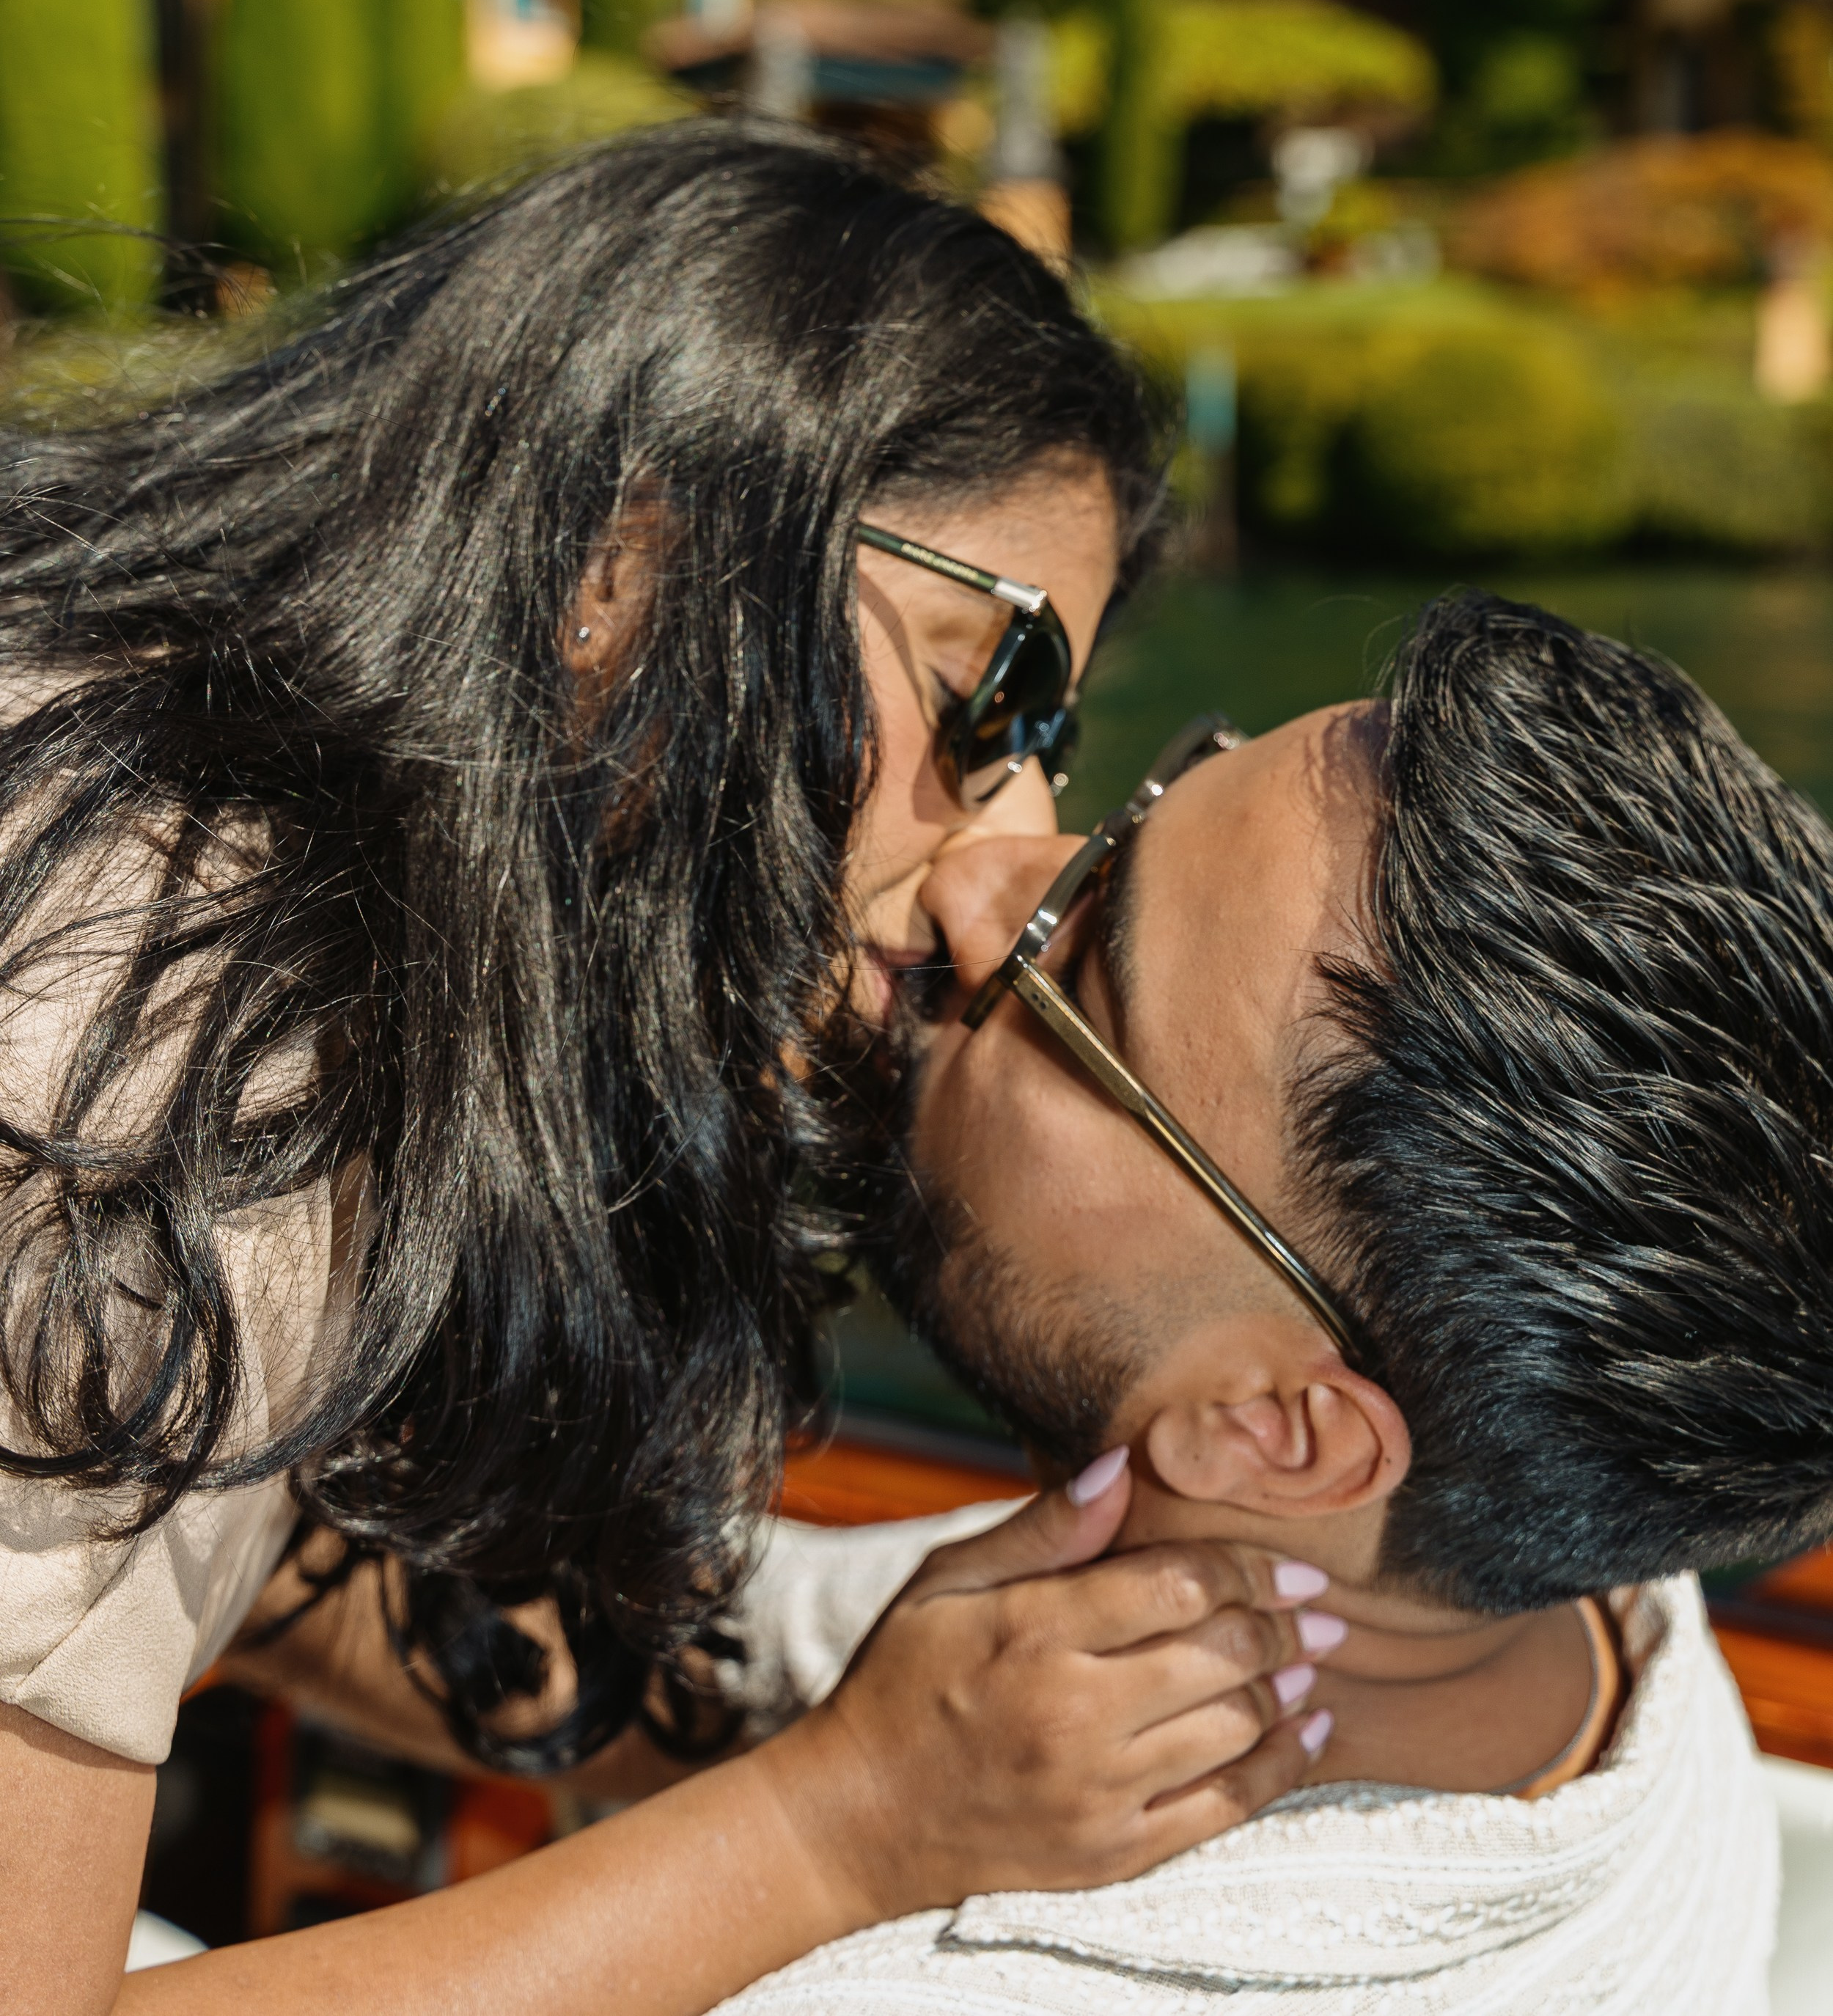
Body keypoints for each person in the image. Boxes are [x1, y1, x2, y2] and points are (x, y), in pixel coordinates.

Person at [0, 123, 1333, 2015]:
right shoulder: (131, 1055)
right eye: (993, 694)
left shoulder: (260, 864)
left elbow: (212, 1541)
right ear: (623, 558)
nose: (1009, 830)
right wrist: (841, 1824)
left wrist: (775, 1720)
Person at [716, 590, 1833, 2015]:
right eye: (1130, 813)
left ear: (1276, 1427)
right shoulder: (1608, 1614)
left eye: (1078, 974)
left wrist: (815, 1833)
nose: (977, 879)